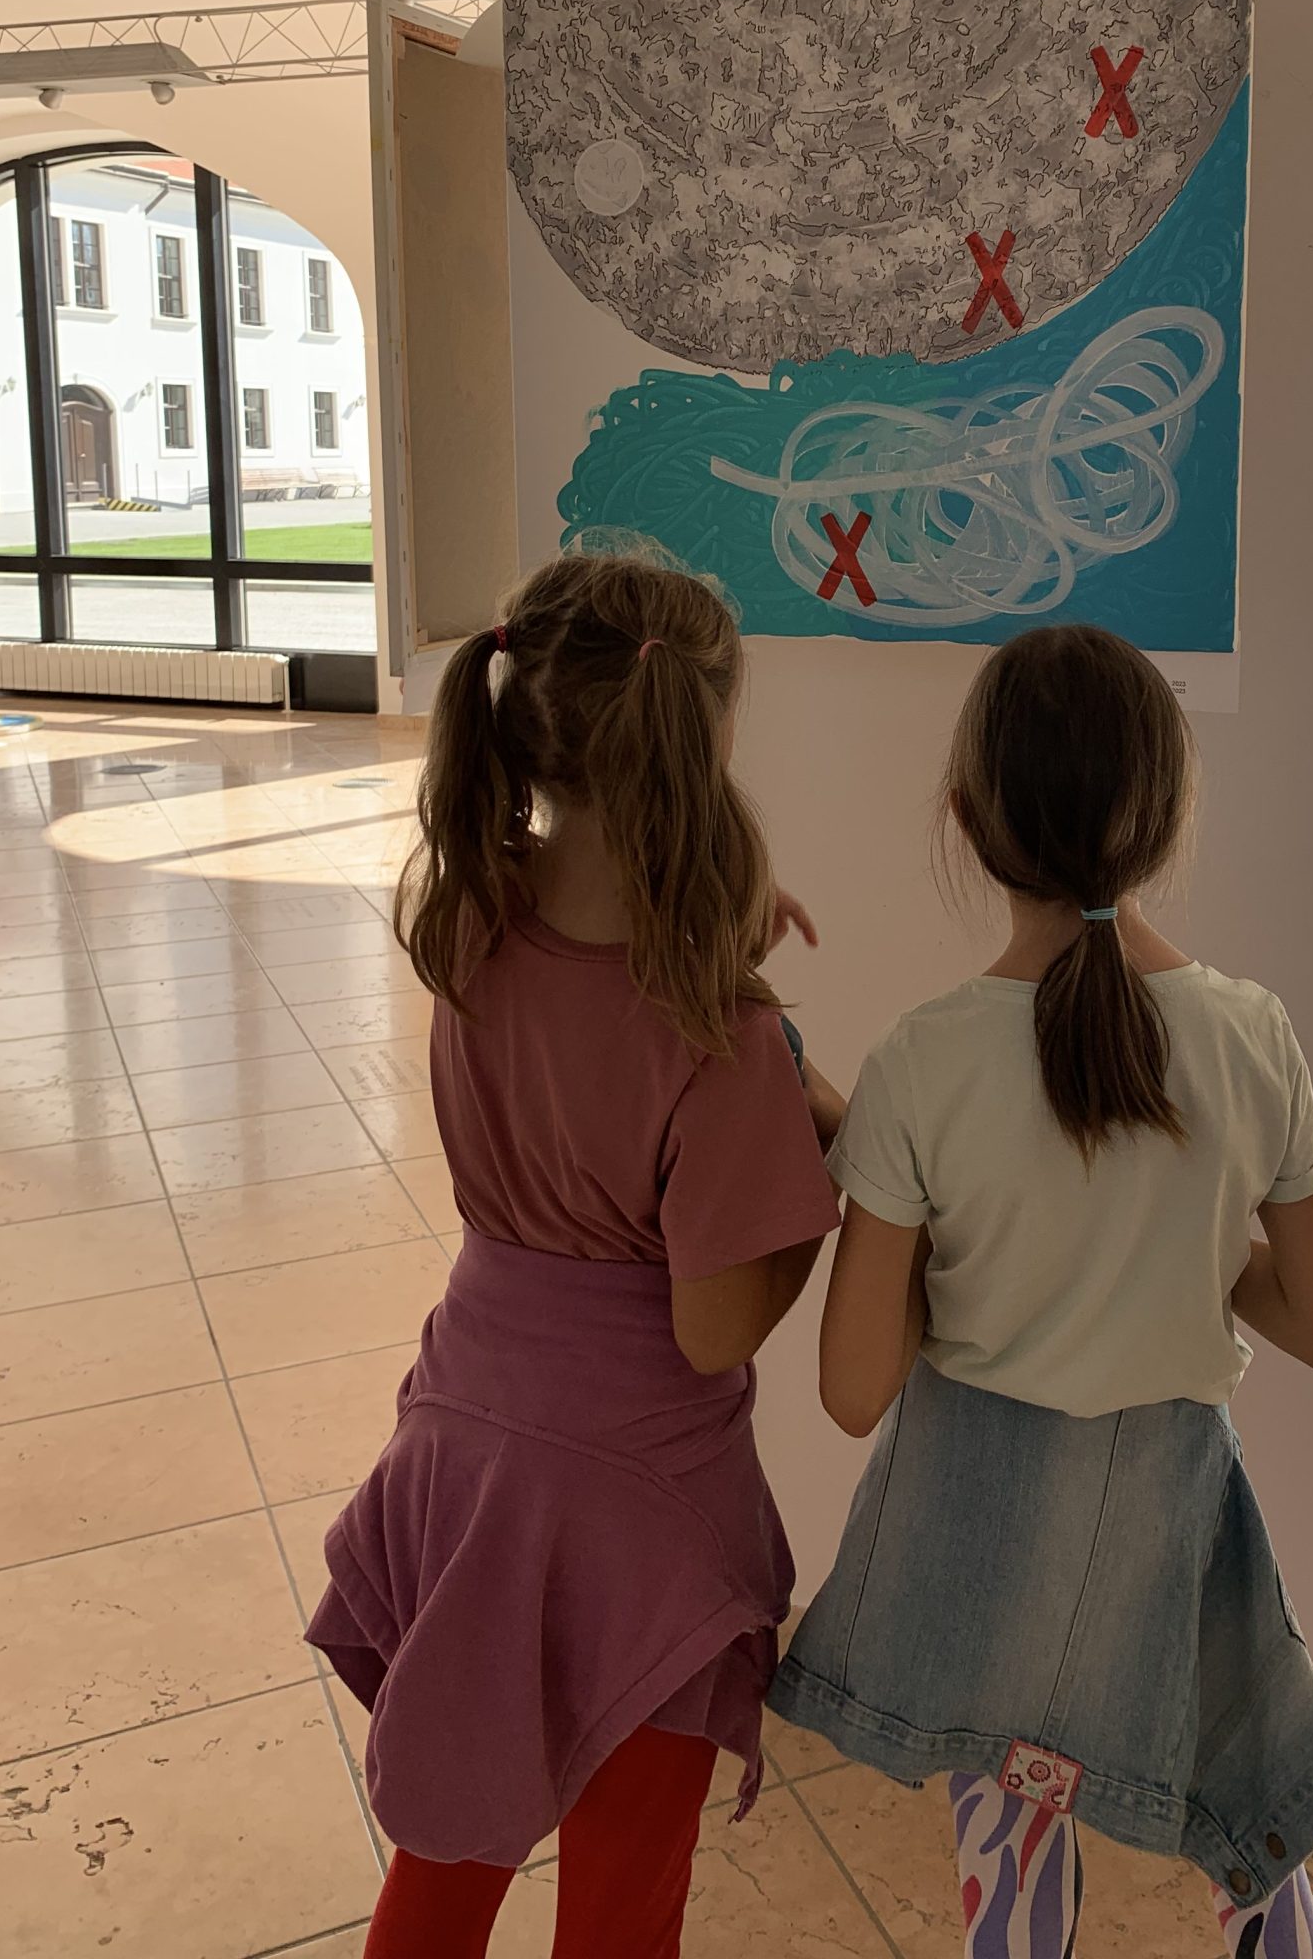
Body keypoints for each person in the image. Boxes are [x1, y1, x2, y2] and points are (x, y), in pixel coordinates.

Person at [771, 624, 1313, 1959]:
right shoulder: (1252, 1035)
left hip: (978, 1523)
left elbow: (854, 1390)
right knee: (1252, 1818)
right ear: (1168, 813)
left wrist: (926, 1220)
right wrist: (1192, 1244)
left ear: (967, 817)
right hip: (1173, 1507)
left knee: (1011, 1845)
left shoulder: (922, 1063)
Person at [307, 547, 845, 1959]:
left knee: (445, 1854)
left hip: (465, 1444)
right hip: (632, 1511)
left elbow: (586, 997)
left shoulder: (469, 921)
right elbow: (715, 1328)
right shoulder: (720, 1034)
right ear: (702, 739)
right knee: (621, 1899)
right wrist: (814, 1192)